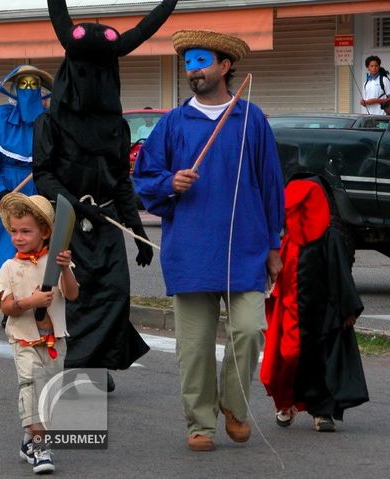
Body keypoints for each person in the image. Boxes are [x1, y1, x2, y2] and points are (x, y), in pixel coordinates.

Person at [132, 30, 285, 451]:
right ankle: (200, 423)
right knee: (194, 348)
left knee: (251, 329)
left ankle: (234, 406)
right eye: (187, 63)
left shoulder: (251, 119)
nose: (192, 70)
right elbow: (144, 179)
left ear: (225, 66)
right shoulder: (173, 123)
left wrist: (274, 246)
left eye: (201, 61)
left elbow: (272, 185)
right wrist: (170, 181)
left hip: (247, 250)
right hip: (191, 251)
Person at [33, 0, 174, 391]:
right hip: (66, 222)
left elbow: (120, 181)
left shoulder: (116, 126)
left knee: (114, 294)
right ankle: (79, 369)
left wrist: (139, 232)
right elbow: (42, 173)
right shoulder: (51, 122)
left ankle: (92, 364)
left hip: (107, 220)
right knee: (76, 299)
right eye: (85, 70)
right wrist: (72, 205)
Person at [261, 176, 368, 433]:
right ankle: (286, 402)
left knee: (323, 362)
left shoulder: (330, 238)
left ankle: (322, 412)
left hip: (324, 314)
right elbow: (277, 274)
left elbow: (341, 274)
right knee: (289, 357)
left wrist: (348, 309)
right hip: (292, 314)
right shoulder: (287, 242)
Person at [0, 192, 79, 475]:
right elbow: (6, 307)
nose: (18, 237)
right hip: (24, 341)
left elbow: (72, 294)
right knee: (30, 389)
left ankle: (30, 438)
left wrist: (65, 270)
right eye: (14, 231)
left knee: (47, 396)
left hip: (54, 342)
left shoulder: (57, 262)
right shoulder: (10, 267)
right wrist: (30, 302)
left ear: (46, 232)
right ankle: (41, 449)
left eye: (26, 231)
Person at [0, 65, 53, 302]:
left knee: (37, 247)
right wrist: (2, 193)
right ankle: (6, 300)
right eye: (24, 84)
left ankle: (35, 299)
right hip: (4, 192)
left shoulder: (48, 121)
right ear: (14, 89)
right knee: (3, 247)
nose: (29, 89)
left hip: (36, 189)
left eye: (34, 85)